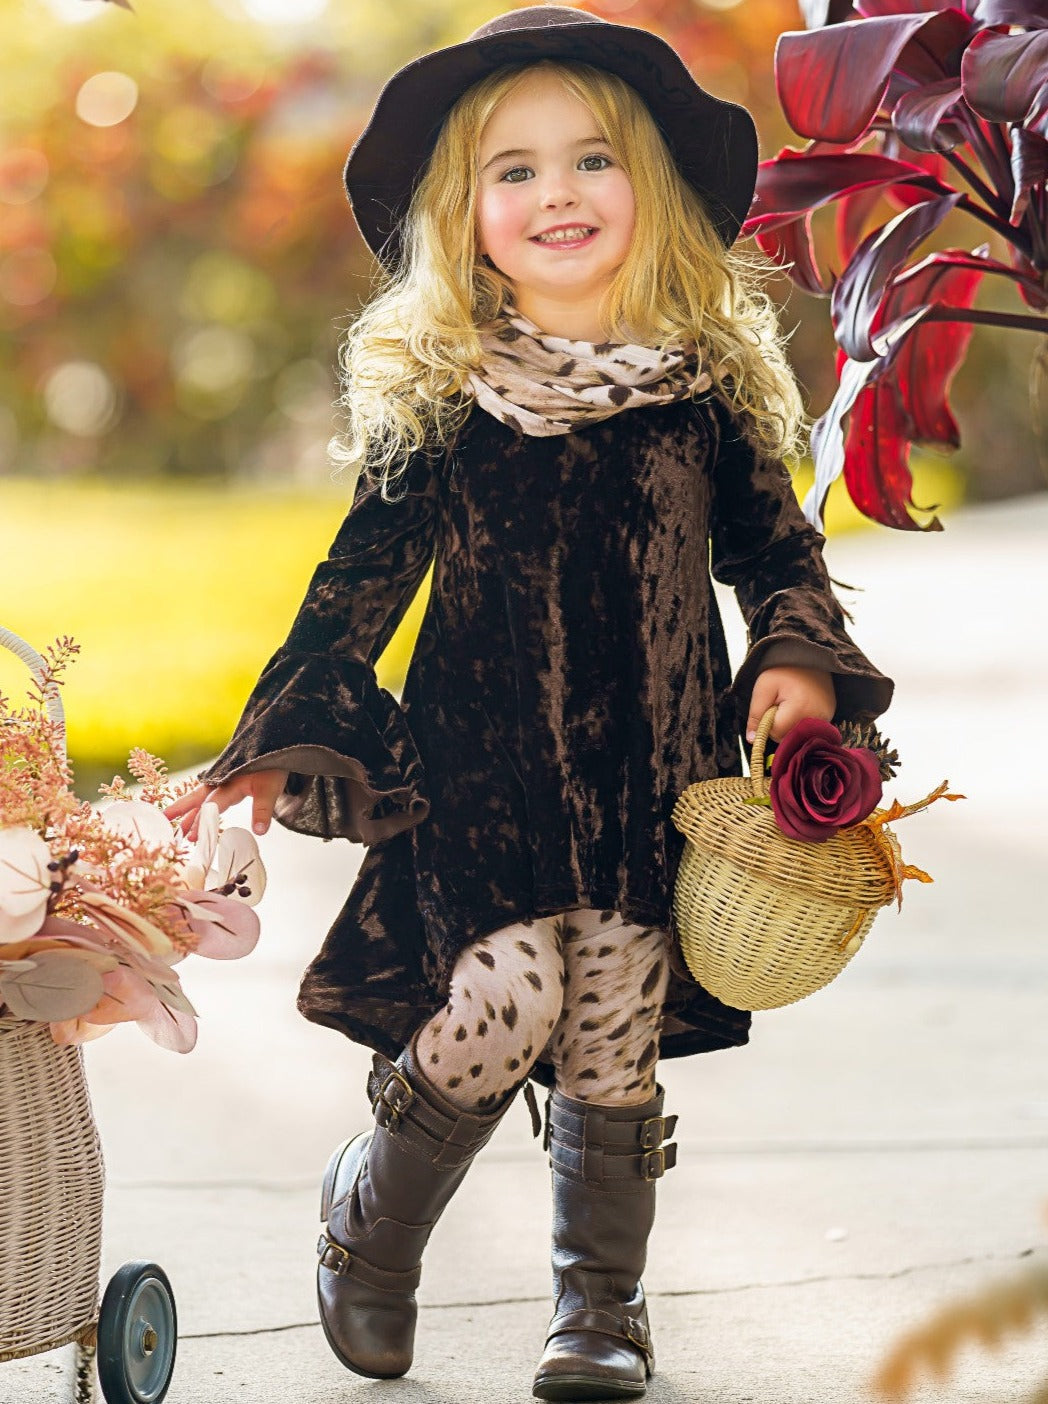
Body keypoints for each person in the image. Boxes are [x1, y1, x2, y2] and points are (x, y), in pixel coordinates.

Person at [166, 6, 894, 1399]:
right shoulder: (450, 402)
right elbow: (357, 584)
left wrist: (795, 660)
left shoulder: (704, 398)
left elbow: (777, 556)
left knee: (612, 1023)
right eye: (516, 170)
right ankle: (371, 1222)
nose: (558, 192)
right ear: (467, 215)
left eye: (591, 159)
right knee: (509, 995)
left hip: (650, 778)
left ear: (652, 189)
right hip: (479, 777)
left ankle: (600, 1306)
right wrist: (281, 737)